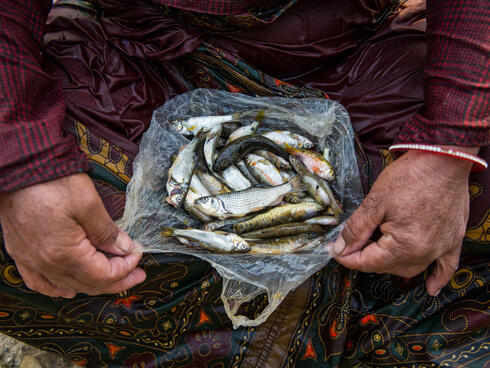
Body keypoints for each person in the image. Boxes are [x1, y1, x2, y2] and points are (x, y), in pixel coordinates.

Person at [0, 0, 488, 366]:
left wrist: (446, 149)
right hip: (132, 59)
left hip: (356, 58)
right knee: (41, 223)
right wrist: (25, 157)